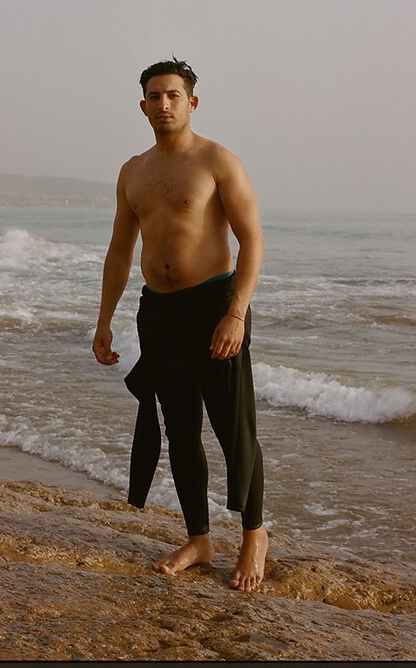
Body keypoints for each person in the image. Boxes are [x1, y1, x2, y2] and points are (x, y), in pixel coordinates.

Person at [92, 57, 267, 591]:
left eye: (173, 95)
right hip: (159, 311)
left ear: (191, 102)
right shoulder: (132, 171)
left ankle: (254, 535)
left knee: (232, 427)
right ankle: (199, 538)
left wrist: (236, 313)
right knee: (180, 428)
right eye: (154, 96)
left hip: (214, 306)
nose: (163, 104)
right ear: (142, 105)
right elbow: (121, 250)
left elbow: (253, 241)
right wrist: (104, 319)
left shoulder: (218, 162)